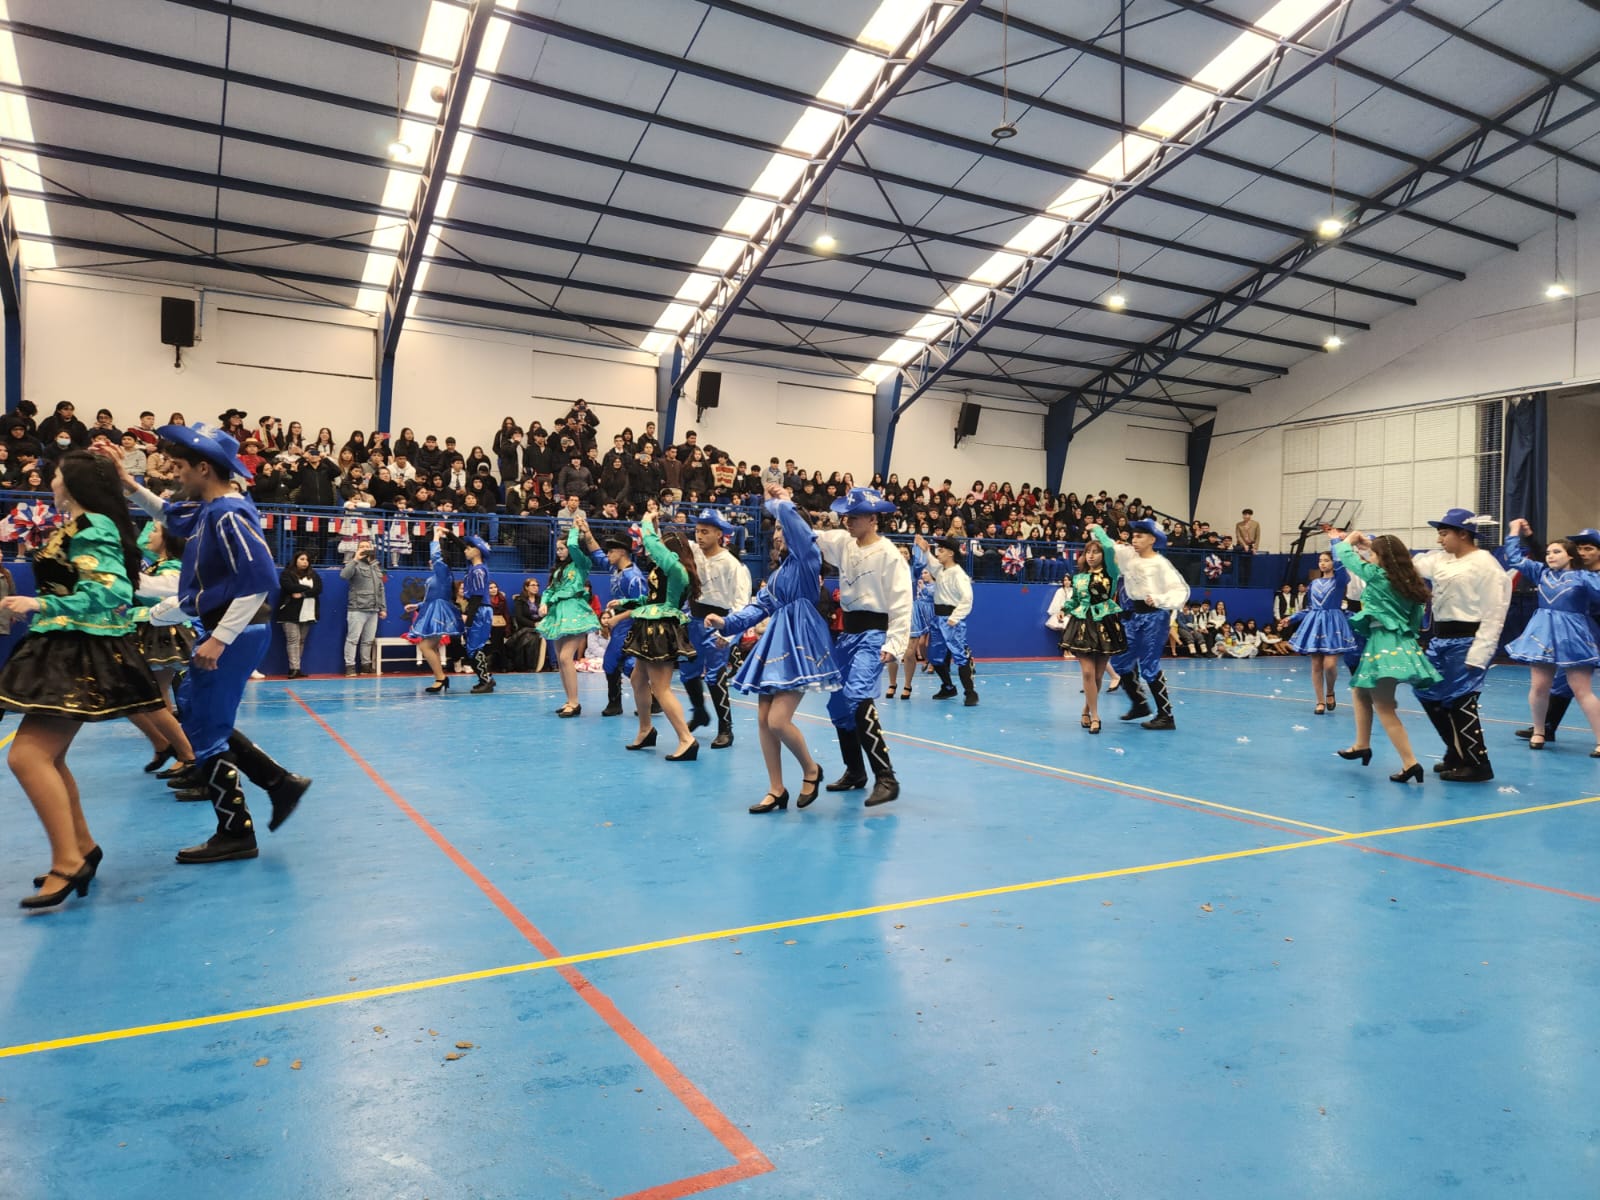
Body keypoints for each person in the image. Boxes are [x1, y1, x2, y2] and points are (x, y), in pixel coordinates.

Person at [106, 424, 308, 863]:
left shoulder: (229, 513)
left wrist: (219, 639)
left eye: (179, 468)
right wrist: (127, 483)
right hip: (225, 629)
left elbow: (258, 581)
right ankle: (278, 783)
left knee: (207, 730)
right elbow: (168, 514)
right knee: (199, 717)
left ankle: (237, 831)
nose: (174, 475)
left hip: (234, 632)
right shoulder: (209, 510)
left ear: (203, 468)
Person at [0, 451, 164, 907]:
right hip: (59, 647)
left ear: (70, 482)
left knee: (27, 758)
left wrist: (41, 605)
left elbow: (110, 592)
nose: (49, 480)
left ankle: (68, 861)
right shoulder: (75, 526)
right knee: (46, 759)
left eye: (54, 474)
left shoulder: (95, 526)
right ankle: (81, 848)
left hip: (76, 652)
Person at [707, 485, 841, 813]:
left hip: (800, 641)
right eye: (777, 529)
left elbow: (799, 531)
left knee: (779, 720)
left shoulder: (809, 560)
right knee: (764, 719)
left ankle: (811, 769)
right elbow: (758, 608)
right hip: (777, 641)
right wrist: (727, 624)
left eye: (783, 528)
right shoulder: (779, 574)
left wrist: (782, 502)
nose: (778, 534)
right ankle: (776, 788)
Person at [1411, 508, 1512, 782]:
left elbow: (1495, 612)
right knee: (1427, 691)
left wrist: (1480, 652)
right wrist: (1366, 547)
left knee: (1461, 701)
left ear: (1463, 534)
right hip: (1440, 639)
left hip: (1468, 641)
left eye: (1444, 534)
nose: (1439, 540)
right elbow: (1409, 565)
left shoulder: (1485, 564)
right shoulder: (1440, 560)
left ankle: (1478, 763)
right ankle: (1456, 751)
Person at [1332, 530, 1439, 783]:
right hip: (1403, 643)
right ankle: (1361, 744)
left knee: (1384, 707)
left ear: (1380, 557)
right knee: (1359, 689)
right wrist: (1373, 546)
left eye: (1372, 554)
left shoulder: (1379, 576)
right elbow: (1415, 622)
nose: (1370, 557)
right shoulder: (1411, 583)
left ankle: (1410, 763)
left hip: (1383, 644)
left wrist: (1349, 540)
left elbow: (1345, 556)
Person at [606, 511, 700, 760]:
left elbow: (650, 543)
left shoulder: (675, 568)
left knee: (661, 688)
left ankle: (686, 739)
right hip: (651, 626)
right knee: (638, 678)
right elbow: (651, 599)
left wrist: (647, 522)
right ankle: (646, 729)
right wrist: (625, 601)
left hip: (661, 629)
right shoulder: (667, 569)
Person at [1502, 520, 1600, 755]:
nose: (1550, 556)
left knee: (1581, 689)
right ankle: (1539, 731)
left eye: (1557, 552)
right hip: (1542, 635)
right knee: (1539, 686)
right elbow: (1515, 557)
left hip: (1573, 635)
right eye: (1548, 552)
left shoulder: (1585, 578)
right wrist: (1514, 533)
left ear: (1570, 555)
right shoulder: (1541, 573)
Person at [677, 509, 752, 749]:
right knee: (687, 672)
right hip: (693, 621)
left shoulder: (733, 565)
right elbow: (669, 542)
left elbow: (741, 604)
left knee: (715, 675)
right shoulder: (693, 551)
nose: (699, 536)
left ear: (719, 534)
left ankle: (725, 728)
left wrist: (728, 634)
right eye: (697, 531)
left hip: (717, 623)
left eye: (705, 532)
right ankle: (699, 712)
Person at [1108, 518, 1190, 730]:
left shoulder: (1161, 564)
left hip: (1155, 618)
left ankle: (1166, 716)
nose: (1134, 539)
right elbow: (1111, 546)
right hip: (1134, 616)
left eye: (1139, 536)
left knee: (1149, 666)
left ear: (1152, 539)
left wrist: (1160, 599)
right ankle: (1140, 704)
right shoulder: (1130, 557)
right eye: (1133, 535)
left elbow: (1180, 590)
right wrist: (1097, 530)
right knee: (1120, 660)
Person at [1060, 523, 1125, 734]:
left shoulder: (1111, 574)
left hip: (1105, 624)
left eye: (1095, 552)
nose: (1091, 555)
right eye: (1088, 552)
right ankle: (1096, 716)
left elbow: (1110, 548)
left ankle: (1086, 710)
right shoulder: (1079, 578)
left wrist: (1097, 530)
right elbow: (1076, 600)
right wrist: (1064, 609)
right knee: (1088, 673)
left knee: (1098, 675)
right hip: (1082, 625)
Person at [537, 522, 601, 716]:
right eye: (557, 549)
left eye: (562, 548)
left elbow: (574, 546)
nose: (559, 551)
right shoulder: (558, 571)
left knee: (566, 657)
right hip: (558, 614)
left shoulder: (582, 564)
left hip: (574, 611)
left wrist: (573, 530)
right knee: (560, 659)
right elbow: (549, 590)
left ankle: (575, 702)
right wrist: (543, 602)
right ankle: (569, 700)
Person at [585, 529, 649, 717]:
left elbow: (641, 606)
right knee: (621, 664)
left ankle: (626, 702)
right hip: (620, 625)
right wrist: (587, 532)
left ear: (622, 552)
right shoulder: (616, 569)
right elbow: (596, 554)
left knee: (617, 663)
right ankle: (640, 701)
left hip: (631, 625)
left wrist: (617, 617)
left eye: (611, 551)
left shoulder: (634, 578)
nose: (607, 555)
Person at [1287, 544, 1357, 714]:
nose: (1323, 563)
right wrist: (1291, 618)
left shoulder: (1340, 581)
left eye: (1327, 560)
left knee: (1330, 665)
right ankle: (1319, 701)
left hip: (1333, 624)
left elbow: (1341, 565)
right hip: (1314, 623)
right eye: (1320, 561)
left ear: (1334, 562)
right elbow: (1310, 607)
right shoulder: (1314, 583)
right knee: (1316, 665)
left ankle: (1330, 691)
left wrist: (1335, 542)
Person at [916, 534, 979, 709]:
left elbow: (967, 598)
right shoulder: (942, 570)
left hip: (951, 620)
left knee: (959, 656)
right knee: (935, 657)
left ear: (951, 553)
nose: (938, 553)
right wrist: (926, 550)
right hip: (938, 619)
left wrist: (954, 618)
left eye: (941, 550)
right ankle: (948, 687)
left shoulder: (958, 574)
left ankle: (970, 692)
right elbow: (933, 564)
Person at [405, 531, 463, 693]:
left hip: (439, 612)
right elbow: (432, 596)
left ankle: (441, 678)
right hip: (432, 610)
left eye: (434, 559)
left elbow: (436, 556)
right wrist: (417, 606)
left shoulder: (443, 572)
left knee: (425, 646)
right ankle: (440, 677)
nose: (431, 561)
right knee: (431, 646)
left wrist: (436, 537)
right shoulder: (437, 577)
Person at [340, 536, 386, 675]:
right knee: (353, 639)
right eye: (362, 547)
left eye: (367, 546)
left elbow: (381, 589)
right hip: (357, 609)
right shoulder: (354, 564)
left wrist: (383, 608)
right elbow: (343, 575)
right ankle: (350, 667)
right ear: (358, 550)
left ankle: (365, 666)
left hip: (373, 610)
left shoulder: (376, 566)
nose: (365, 549)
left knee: (368, 641)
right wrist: (355, 559)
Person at [459, 533, 496, 694]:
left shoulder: (478, 571)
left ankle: (486, 680)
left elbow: (477, 596)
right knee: (471, 647)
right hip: (478, 609)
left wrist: (468, 616)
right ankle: (484, 678)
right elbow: (463, 546)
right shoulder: (475, 567)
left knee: (474, 647)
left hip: (479, 610)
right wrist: (450, 535)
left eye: (469, 548)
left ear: (477, 551)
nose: (465, 550)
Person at [275, 550, 321, 679]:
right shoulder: (287, 574)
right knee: (293, 640)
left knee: (301, 640)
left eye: (306, 560)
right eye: (302, 559)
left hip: (308, 612)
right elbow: (289, 587)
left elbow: (318, 589)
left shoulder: (313, 574)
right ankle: (293, 668)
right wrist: (308, 588)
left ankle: (297, 667)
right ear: (295, 560)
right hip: (290, 613)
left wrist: (302, 593)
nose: (305, 562)